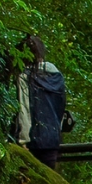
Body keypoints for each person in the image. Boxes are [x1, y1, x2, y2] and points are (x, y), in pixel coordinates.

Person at [15, 34, 70, 165]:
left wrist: (23, 140)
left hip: (33, 141)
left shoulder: (25, 77)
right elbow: (61, 107)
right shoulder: (57, 76)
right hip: (52, 139)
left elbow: (25, 108)